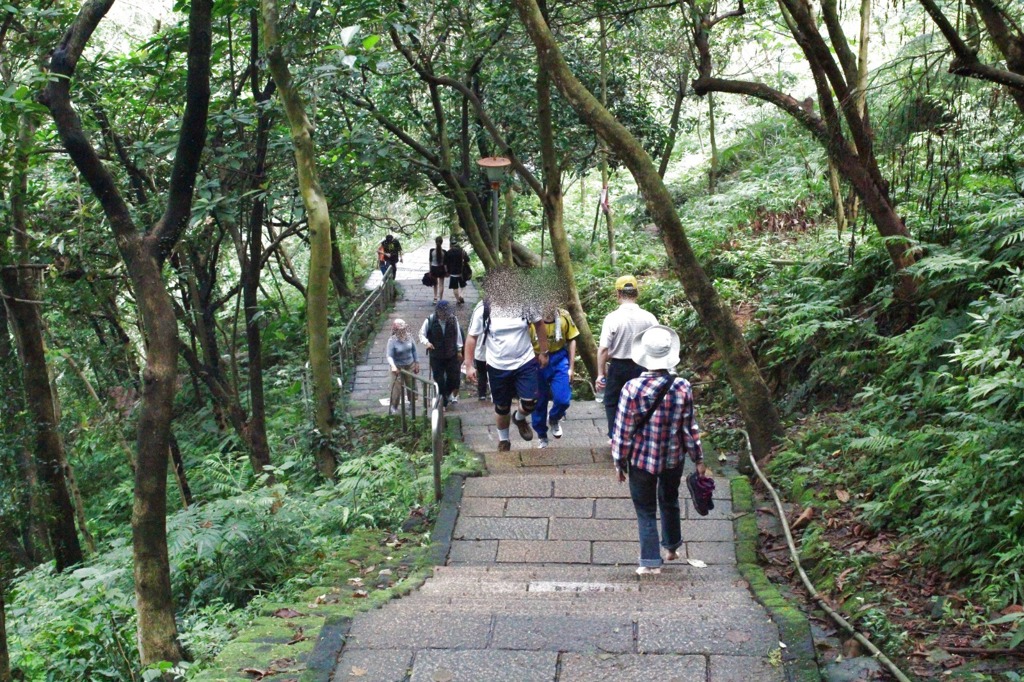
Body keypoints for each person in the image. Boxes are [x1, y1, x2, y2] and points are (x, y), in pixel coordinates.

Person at [611, 325, 707, 575]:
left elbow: (623, 431)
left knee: (645, 509)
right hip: (673, 457)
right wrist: (698, 458)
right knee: (670, 499)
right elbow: (689, 426)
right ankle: (672, 548)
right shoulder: (682, 386)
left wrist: (619, 462)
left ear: (644, 355)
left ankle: (650, 562)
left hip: (641, 460)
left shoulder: (632, 388)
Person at [465, 299, 548, 451]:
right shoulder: (484, 308)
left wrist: (544, 351)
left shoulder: (525, 302)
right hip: (497, 365)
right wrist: (469, 365)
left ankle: (519, 418)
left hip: (524, 361)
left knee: (531, 401)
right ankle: (504, 440)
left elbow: (539, 324)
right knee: (502, 406)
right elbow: (472, 337)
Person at [595, 275, 658, 439]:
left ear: (618, 293)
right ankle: (641, 435)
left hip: (618, 367)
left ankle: (615, 436)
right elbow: (658, 342)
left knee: (612, 402)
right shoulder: (649, 317)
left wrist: (600, 374)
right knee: (642, 402)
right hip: (643, 366)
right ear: (637, 293)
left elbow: (603, 349)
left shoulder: (612, 318)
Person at [530, 306, 579, 449]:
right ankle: (541, 435)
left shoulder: (563, 315)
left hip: (559, 358)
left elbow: (572, 339)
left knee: (563, 399)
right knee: (539, 401)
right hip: (536, 359)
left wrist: (571, 367)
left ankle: (554, 417)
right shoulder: (531, 318)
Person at [419, 300, 463, 407]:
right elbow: (421, 334)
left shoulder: (453, 319)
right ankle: (443, 402)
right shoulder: (430, 320)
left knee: (454, 379)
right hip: (436, 355)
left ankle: (446, 395)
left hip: (451, 354)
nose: (444, 314)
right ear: (438, 311)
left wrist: (459, 350)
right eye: (442, 312)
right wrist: (427, 343)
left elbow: (458, 335)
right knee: (439, 380)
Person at [386, 319, 419, 415]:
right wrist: (393, 366)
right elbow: (389, 355)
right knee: (396, 389)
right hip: (397, 368)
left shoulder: (409, 337)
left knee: (412, 386)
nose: (403, 331)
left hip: (410, 365)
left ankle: (412, 403)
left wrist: (417, 362)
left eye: (404, 328)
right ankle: (394, 406)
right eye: (401, 329)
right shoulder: (392, 341)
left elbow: (414, 350)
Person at [470, 300, 489, 401]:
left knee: (482, 374)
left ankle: (482, 395)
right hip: (482, 349)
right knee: (483, 373)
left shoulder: (480, 306)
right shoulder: (481, 308)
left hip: (481, 349)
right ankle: (483, 394)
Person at [444, 238, 470, 305]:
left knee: (455, 287)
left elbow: (445, 263)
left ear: (450, 245)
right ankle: (461, 295)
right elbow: (467, 259)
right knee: (463, 286)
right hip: (461, 273)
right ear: (457, 244)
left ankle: (458, 300)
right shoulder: (462, 251)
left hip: (453, 273)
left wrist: (447, 271)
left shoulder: (448, 252)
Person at [428, 236, 447, 303]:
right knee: (441, 284)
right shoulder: (444, 252)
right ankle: (441, 299)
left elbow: (430, 261)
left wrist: (430, 270)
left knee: (435, 284)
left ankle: (435, 297)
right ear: (442, 242)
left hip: (433, 268)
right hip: (441, 269)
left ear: (435, 242)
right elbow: (445, 263)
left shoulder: (431, 251)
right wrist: (446, 271)